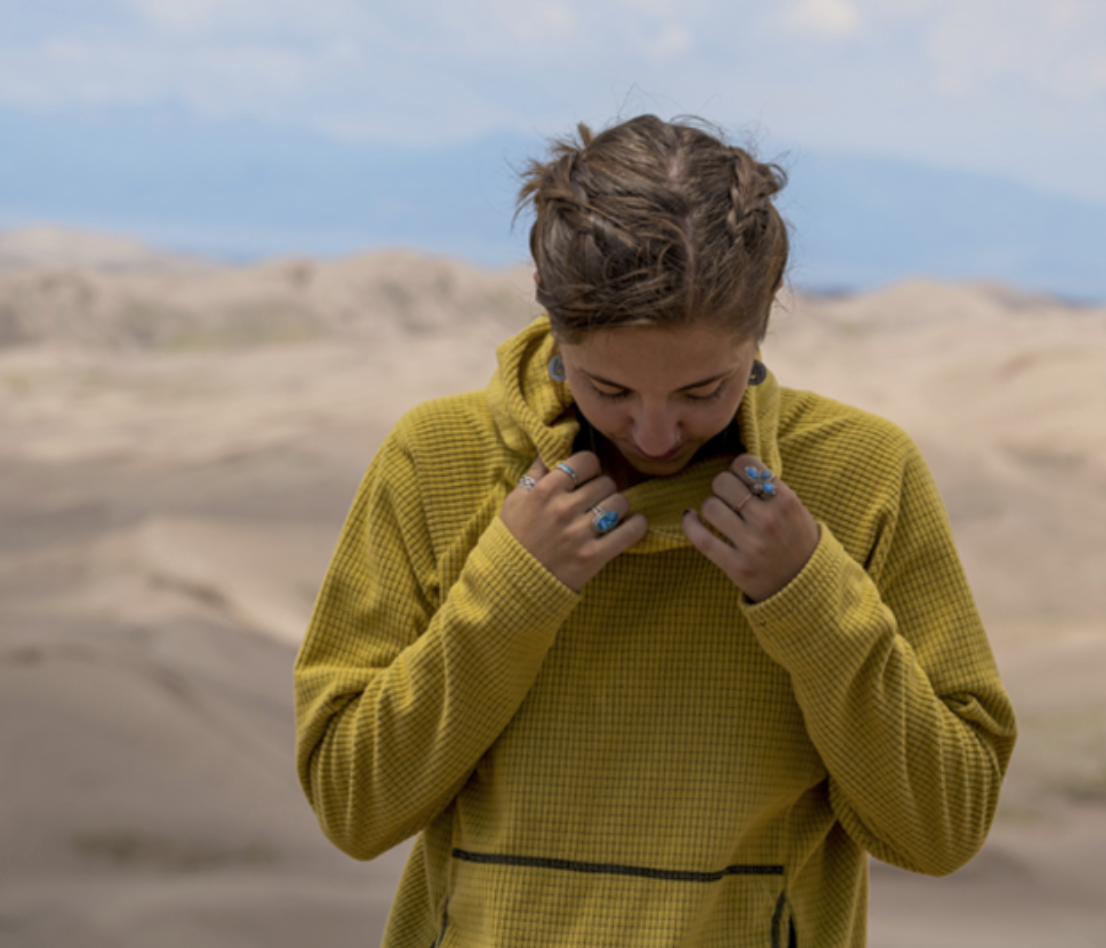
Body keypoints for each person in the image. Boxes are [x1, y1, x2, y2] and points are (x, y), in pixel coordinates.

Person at [294, 114, 1016, 948]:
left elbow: (941, 830)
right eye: (610, 388)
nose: (659, 433)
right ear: (546, 305)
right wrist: (508, 594)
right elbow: (353, 808)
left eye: (704, 391)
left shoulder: (863, 475)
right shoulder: (437, 460)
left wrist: (812, 598)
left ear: (764, 321)